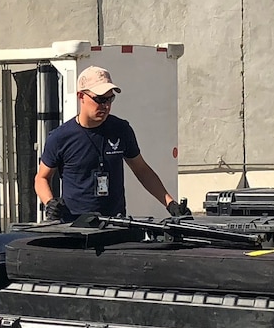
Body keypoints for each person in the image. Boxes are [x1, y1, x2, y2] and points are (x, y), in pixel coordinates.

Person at [35, 65, 187, 221]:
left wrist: (170, 204)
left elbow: (142, 170)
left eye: (110, 99)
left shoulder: (121, 129)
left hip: (115, 224)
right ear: (81, 96)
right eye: (100, 99)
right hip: (75, 226)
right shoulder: (60, 137)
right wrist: (50, 202)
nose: (106, 106)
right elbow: (41, 178)